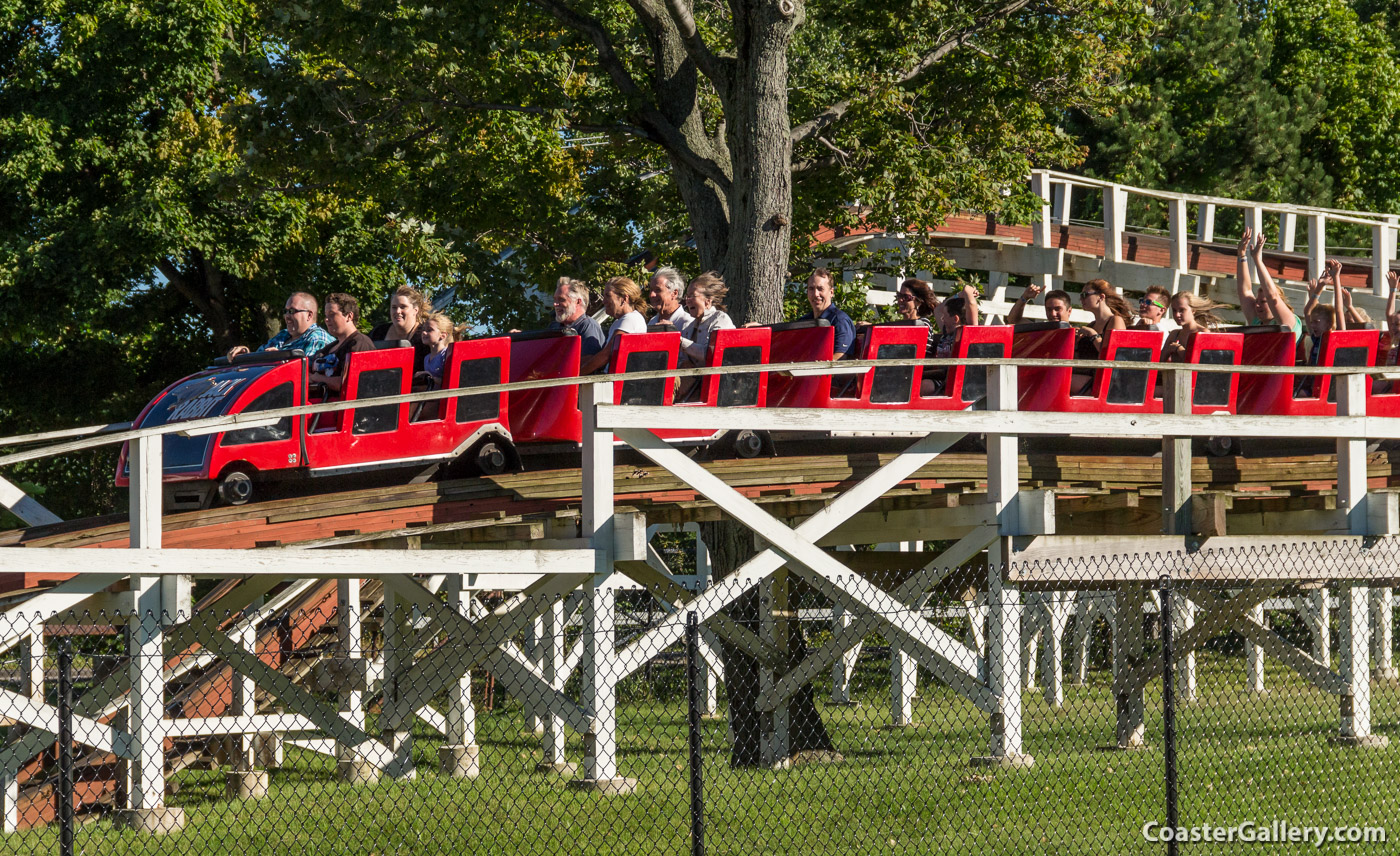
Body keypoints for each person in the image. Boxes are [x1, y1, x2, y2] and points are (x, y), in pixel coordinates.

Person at [226, 292, 334, 360]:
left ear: (309, 315)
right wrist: (245, 354)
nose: (287, 316)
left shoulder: (317, 338)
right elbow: (257, 359)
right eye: (285, 311)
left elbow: (305, 373)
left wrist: (279, 359)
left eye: (292, 311)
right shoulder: (283, 335)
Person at [1237, 228, 1302, 340]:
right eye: (1257, 301)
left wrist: (1257, 259)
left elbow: (1272, 296)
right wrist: (1241, 255)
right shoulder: (1257, 321)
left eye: (1262, 302)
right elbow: (1245, 291)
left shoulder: (1289, 322)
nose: (1257, 305)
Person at [308, 293, 374, 394]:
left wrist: (316, 378)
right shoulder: (328, 348)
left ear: (349, 316)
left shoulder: (359, 344)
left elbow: (349, 384)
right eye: (326, 315)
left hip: (340, 407)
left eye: (332, 314)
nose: (326, 319)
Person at [581, 276, 648, 375]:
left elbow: (606, 355)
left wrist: (576, 376)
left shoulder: (630, 320)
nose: (604, 301)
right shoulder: (623, 320)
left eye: (608, 296)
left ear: (624, 299)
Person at [679, 272, 737, 365]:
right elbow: (682, 358)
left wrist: (679, 341)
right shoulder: (689, 327)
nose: (687, 300)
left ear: (708, 301)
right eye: (687, 296)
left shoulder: (720, 319)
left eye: (692, 296)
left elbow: (711, 354)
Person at [798, 268, 856, 358]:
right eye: (811, 289)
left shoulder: (840, 321)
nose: (816, 294)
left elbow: (840, 357)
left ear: (831, 292)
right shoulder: (803, 322)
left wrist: (813, 370)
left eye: (820, 289)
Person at [547, 276, 605, 358]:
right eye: (555, 299)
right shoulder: (554, 326)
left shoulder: (588, 326)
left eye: (561, 299)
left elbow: (588, 363)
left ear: (578, 302)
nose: (555, 304)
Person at [1162, 293, 1224, 363]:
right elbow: (1159, 361)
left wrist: (1179, 349)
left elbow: (1202, 362)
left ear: (1193, 310)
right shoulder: (1174, 334)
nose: (1177, 315)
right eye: (1174, 310)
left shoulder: (1203, 333)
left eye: (1182, 310)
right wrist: (1168, 351)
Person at [894, 278, 940, 354]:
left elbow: (914, 352)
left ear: (918, 302)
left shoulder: (923, 324)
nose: (900, 300)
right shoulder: (900, 325)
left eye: (906, 297)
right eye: (899, 295)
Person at [646, 267, 694, 331]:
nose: (651, 295)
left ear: (674, 293)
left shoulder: (688, 323)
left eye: (658, 290)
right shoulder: (652, 321)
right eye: (651, 290)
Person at [1006, 283, 1073, 324]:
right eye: (1049, 309)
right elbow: (1013, 320)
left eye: (1057, 309)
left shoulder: (1078, 336)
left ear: (1069, 311)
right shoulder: (1042, 331)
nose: (1053, 314)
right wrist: (1025, 297)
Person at [418, 313, 455, 384]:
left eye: (429, 330)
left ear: (443, 335)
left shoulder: (447, 355)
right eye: (424, 330)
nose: (424, 333)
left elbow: (450, 382)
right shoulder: (426, 358)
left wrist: (430, 378)